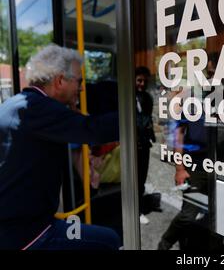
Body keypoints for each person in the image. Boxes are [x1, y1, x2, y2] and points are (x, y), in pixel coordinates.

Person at [0, 45, 121, 250]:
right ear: (59, 80)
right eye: (79, 82)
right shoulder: (40, 109)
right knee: (109, 240)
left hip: (16, 222)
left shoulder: (17, 103)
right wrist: (133, 114)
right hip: (29, 232)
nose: (82, 89)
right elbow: (91, 130)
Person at [157, 59, 224, 250]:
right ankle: (165, 243)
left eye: (219, 75)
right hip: (195, 163)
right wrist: (179, 168)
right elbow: (178, 133)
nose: (214, 78)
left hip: (221, 163)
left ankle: (214, 248)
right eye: (211, 73)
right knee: (189, 213)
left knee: (219, 212)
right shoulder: (190, 97)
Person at [135, 66, 156, 224]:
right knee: (132, 179)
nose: (142, 84)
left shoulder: (147, 98)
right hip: (131, 145)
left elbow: (148, 118)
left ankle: (139, 210)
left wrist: (151, 135)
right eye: (139, 80)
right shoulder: (126, 98)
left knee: (141, 178)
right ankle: (131, 208)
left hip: (144, 144)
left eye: (144, 81)